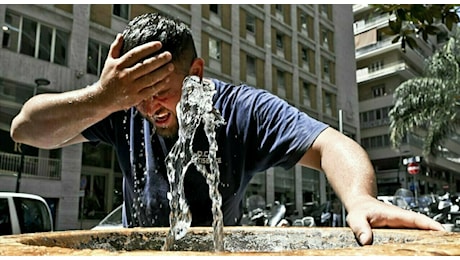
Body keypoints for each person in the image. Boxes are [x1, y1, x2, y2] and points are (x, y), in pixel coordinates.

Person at [10, 12, 444, 245]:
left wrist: (360, 198)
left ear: (196, 72)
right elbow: (24, 129)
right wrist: (105, 97)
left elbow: (331, 143)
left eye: (162, 90)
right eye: (138, 94)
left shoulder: (241, 111)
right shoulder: (122, 105)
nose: (150, 106)